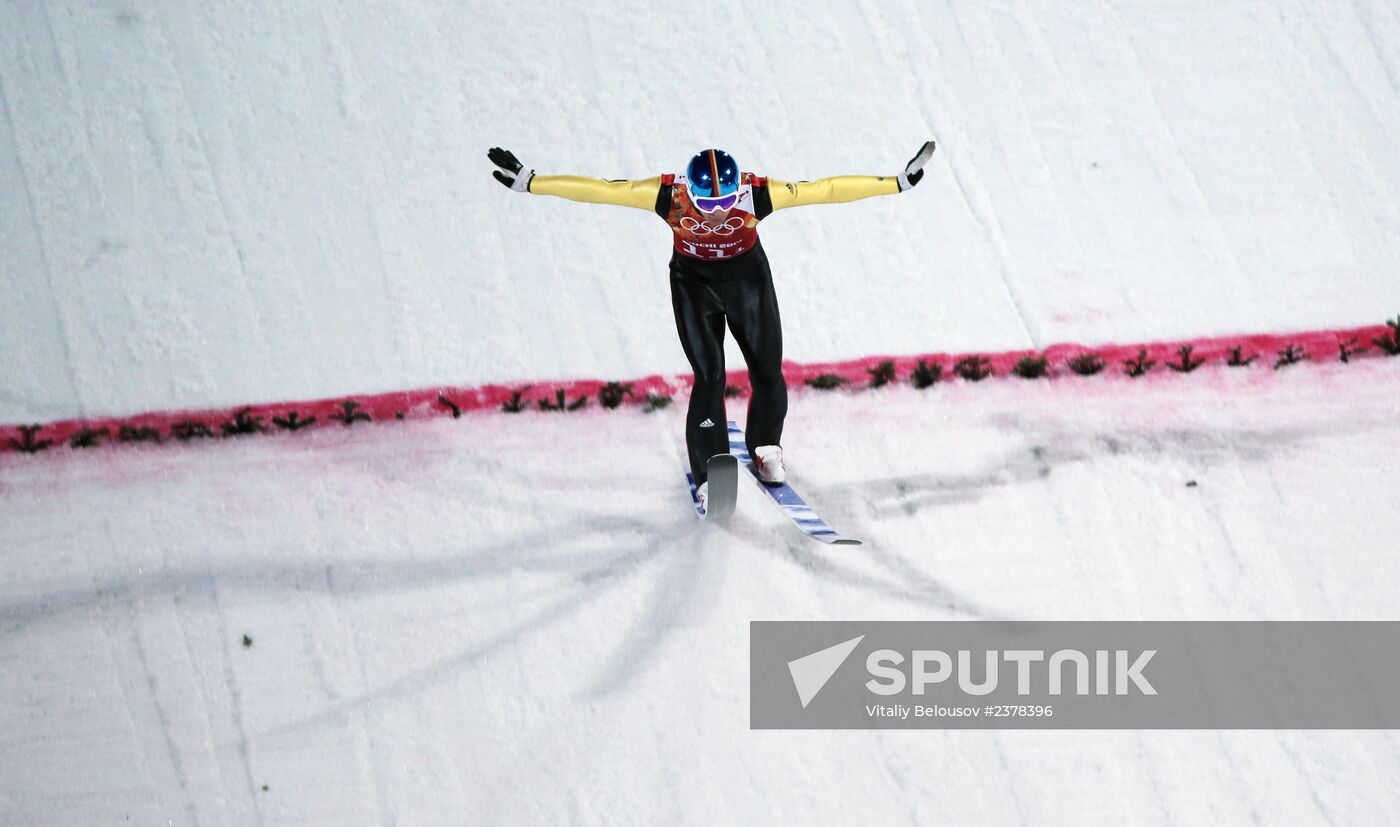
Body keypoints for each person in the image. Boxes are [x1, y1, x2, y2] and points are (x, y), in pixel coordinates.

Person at [488, 142, 936, 511]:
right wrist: (532, 182)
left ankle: (766, 446)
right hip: (694, 285)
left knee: (767, 368)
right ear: (691, 193)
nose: (718, 214)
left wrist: (896, 182)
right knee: (710, 377)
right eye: (708, 205)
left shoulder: (756, 193)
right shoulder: (668, 195)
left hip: (747, 281)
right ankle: (708, 471)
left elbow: (826, 190)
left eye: (725, 203)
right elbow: (602, 190)